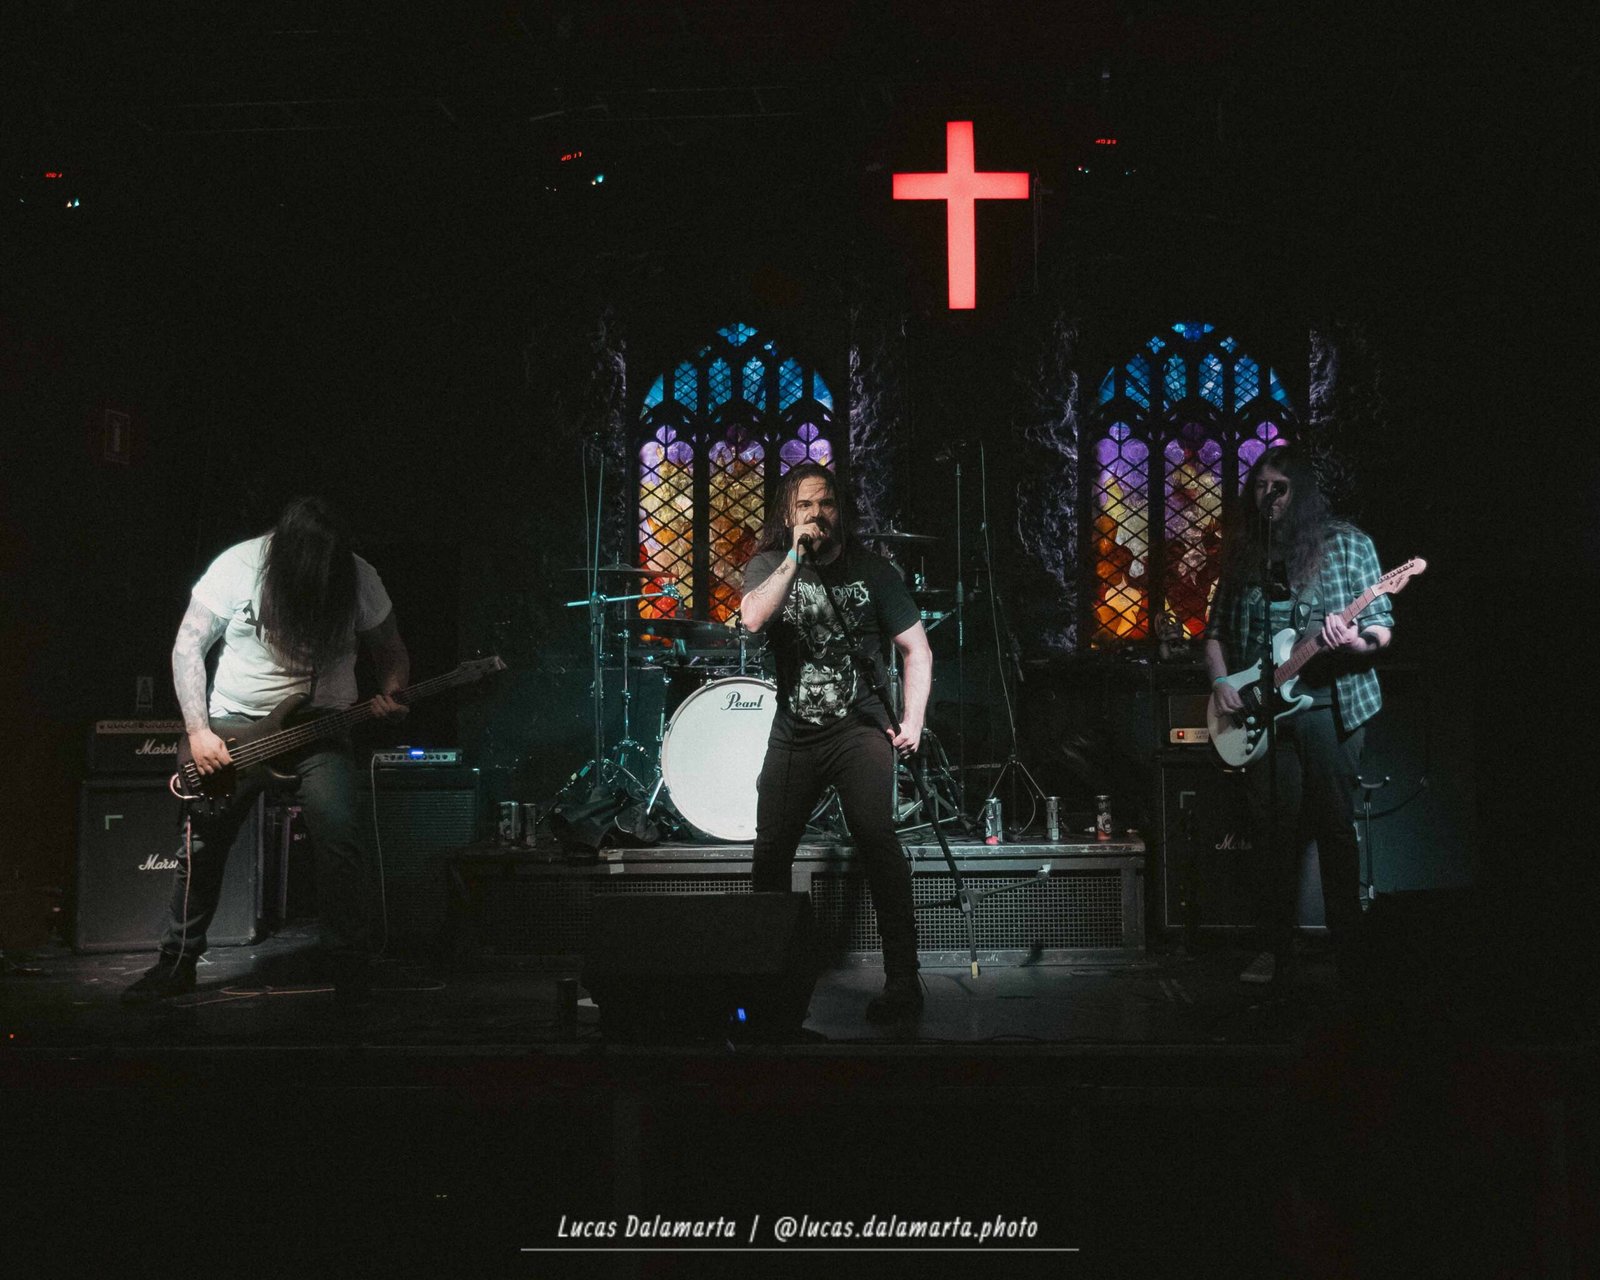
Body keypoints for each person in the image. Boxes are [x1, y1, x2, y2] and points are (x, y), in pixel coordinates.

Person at [122, 497, 409, 1006]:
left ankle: (350, 965)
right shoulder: (238, 566)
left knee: (340, 836)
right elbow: (188, 646)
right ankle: (176, 962)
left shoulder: (358, 577)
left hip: (319, 726)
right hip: (233, 727)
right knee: (202, 846)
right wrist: (198, 732)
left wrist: (392, 692)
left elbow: (391, 652)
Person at [740, 463, 932, 1023]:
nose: (816, 514)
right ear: (787, 513)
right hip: (794, 732)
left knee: (877, 839)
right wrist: (794, 558)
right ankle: (765, 982)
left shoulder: (873, 571)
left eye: (825, 503)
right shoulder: (769, 565)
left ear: (840, 509)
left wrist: (913, 720)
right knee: (770, 850)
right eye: (804, 505)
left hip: (859, 728)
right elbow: (752, 619)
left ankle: (903, 980)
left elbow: (917, 650)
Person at [1204, 445, 1393, 986]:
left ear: (1302, 492)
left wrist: (1353, 641)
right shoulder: (1246, 554)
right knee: (1273, 837)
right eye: (1260, 486)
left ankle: (1349, 954)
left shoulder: (1349, 545)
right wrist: (1221, 683)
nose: (1268, 497)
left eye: (1280, 487)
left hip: (1332, 708)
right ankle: (1275, 951)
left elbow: (1381, 628)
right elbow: (1214, 634)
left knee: (1335, 830)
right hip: (1263, 714)